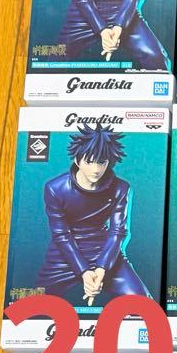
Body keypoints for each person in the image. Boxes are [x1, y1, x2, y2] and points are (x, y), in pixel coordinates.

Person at [37, 124, 151, 304]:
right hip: (65, 254)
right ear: (77, 160)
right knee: (34, 304)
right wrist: (83, 271)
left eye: (102, 162)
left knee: (144, 304)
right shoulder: (55, 188)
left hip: (105, 250)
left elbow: (118, 231)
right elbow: (61, 235)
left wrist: (101, 268)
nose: (96, 169)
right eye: (89, 162)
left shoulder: (121, 188)